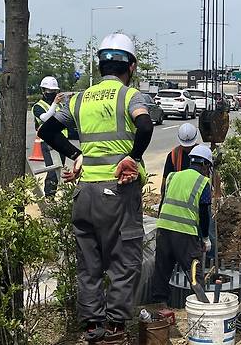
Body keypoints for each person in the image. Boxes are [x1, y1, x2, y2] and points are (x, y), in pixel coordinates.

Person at [38, 33, 154, 343]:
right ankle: (115, 328)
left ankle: (92, 327)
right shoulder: (130, 96)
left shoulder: (77, 98)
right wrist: (133, 157)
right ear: (130, 66)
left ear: (100, 64)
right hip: (118, 191)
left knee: (88, 263)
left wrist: (77, 155)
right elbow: (144, 126)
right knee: (124, 259)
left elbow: (46, 129)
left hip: (84, 194)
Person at [152, 144, 213, 304]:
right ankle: (202, 307)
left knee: (161, 271)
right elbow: (204, 214)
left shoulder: (173, 176)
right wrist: (205, 238)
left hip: (163, 230)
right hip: (185, 234)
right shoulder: (203, 182)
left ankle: (159, 308)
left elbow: (164, 199)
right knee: (194, 273)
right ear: (205, 165)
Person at [32, 76, 67, 197]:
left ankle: (56, 196)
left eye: (54, 91)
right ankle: (49, 196)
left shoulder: (60, 105)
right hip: (48, 143)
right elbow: (45, 118)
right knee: (52, 171)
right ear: (43, 90)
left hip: (62, 142)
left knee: (59, 171)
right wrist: (55, 103)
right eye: (49, 90)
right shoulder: (37, 106)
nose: (52, 93)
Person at [161, 123, 199, 195]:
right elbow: (165, 181)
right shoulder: (173, 155)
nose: (187, 148)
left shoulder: (202, 154)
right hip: (180, 196)